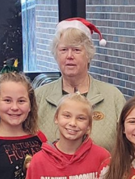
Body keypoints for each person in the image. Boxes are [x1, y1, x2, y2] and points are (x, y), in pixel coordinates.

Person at [35, 18, 125, 152]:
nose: (69, 56)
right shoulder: (39, 97)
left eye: (76, 50)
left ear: (88, 55)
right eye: (64, 49)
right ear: (56, 54)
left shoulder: (112, 97)